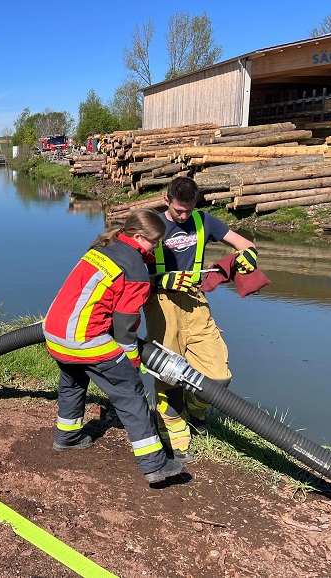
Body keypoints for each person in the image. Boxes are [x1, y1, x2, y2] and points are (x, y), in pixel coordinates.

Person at [43, 209, 185, 484]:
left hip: (55, 333)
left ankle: (67, 437)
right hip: (86, 340)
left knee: (73, 381)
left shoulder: (104, 247)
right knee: (130, 393)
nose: (156, 247)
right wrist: (132, 360)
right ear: (139, 236)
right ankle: (154, 464)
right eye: (154, 242)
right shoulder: (135, 269)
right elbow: (124, 325)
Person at [144, 176, 258, 462]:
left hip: (196, 302)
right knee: (168, 373)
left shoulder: (204, 221)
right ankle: (173, 429)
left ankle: (195, 408)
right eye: (178, 210)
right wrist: (160, 279)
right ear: (166, 199)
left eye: (189, 210)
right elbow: (129, 271)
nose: (183, 216)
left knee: (218, 375)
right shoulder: (152, 225)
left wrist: (249, 256)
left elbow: (245, 244)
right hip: (161, 304)